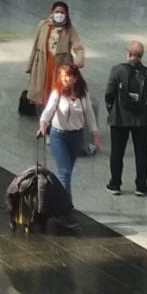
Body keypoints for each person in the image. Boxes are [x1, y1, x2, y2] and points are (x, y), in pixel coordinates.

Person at [103, 40, 147, 196]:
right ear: (141, 56)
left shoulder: (117, 70)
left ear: (128, 54)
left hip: (119, 119)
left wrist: (112, 110)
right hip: (142, 121)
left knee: (117, 152)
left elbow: (109, 94)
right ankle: (141, 186)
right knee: (141, 153)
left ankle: (115, 184)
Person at [37, 62, 101, 199]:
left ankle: (58, 201)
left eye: (68, 76)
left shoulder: (83, 94)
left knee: (67, 172)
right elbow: (48, 111)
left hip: (76, 137)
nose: (65, 79)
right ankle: (66, 206)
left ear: (76, 78)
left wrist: (95, 135)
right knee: (64, 172)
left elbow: (89, 113)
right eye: (63, 76)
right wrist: (43, 125)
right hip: (59, 136)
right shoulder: (57, 93)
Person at [25, 1, 85, 113]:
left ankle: (55, 122)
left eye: (62, 12)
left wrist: (79, 60)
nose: (59, 14)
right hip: (42, 65)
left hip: (60, 67)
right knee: (41, 96)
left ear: (66, 14)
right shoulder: (43, 25)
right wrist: (30, 66)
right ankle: (43, 122)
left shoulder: (70, 29)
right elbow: (35, 46)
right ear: (52, 12)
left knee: (58, 94)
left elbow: (78, 47)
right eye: (57, 11)